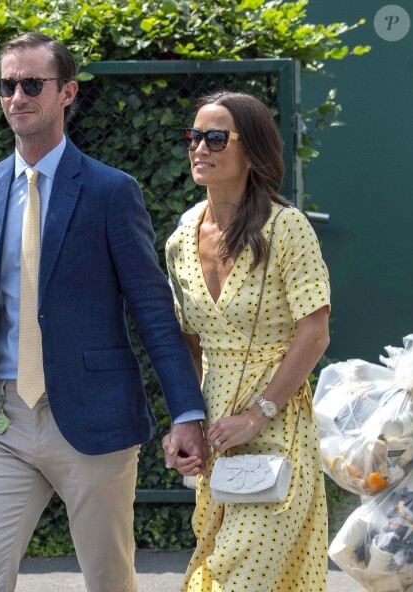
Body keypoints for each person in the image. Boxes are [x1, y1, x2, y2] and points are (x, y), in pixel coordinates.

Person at [0, 32, 209, 592]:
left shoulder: (110, 191)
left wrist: (186, 412)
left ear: (67, 93)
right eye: (8, 84)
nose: (17, 96)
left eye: (33, 83)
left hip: (93, 417)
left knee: (109, 579)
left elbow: (153, 310)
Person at [162, 90, 331, 591]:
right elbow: (187, 342)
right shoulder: (180, 238)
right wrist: (185, 421)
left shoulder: (287, 228)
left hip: (278, 429)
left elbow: (315, 331)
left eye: (216, 137)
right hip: (215, 428)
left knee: (240, 573)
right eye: (194, 136)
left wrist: (259, 413)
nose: (200, 147)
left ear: (252, 151)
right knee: (215, 560)